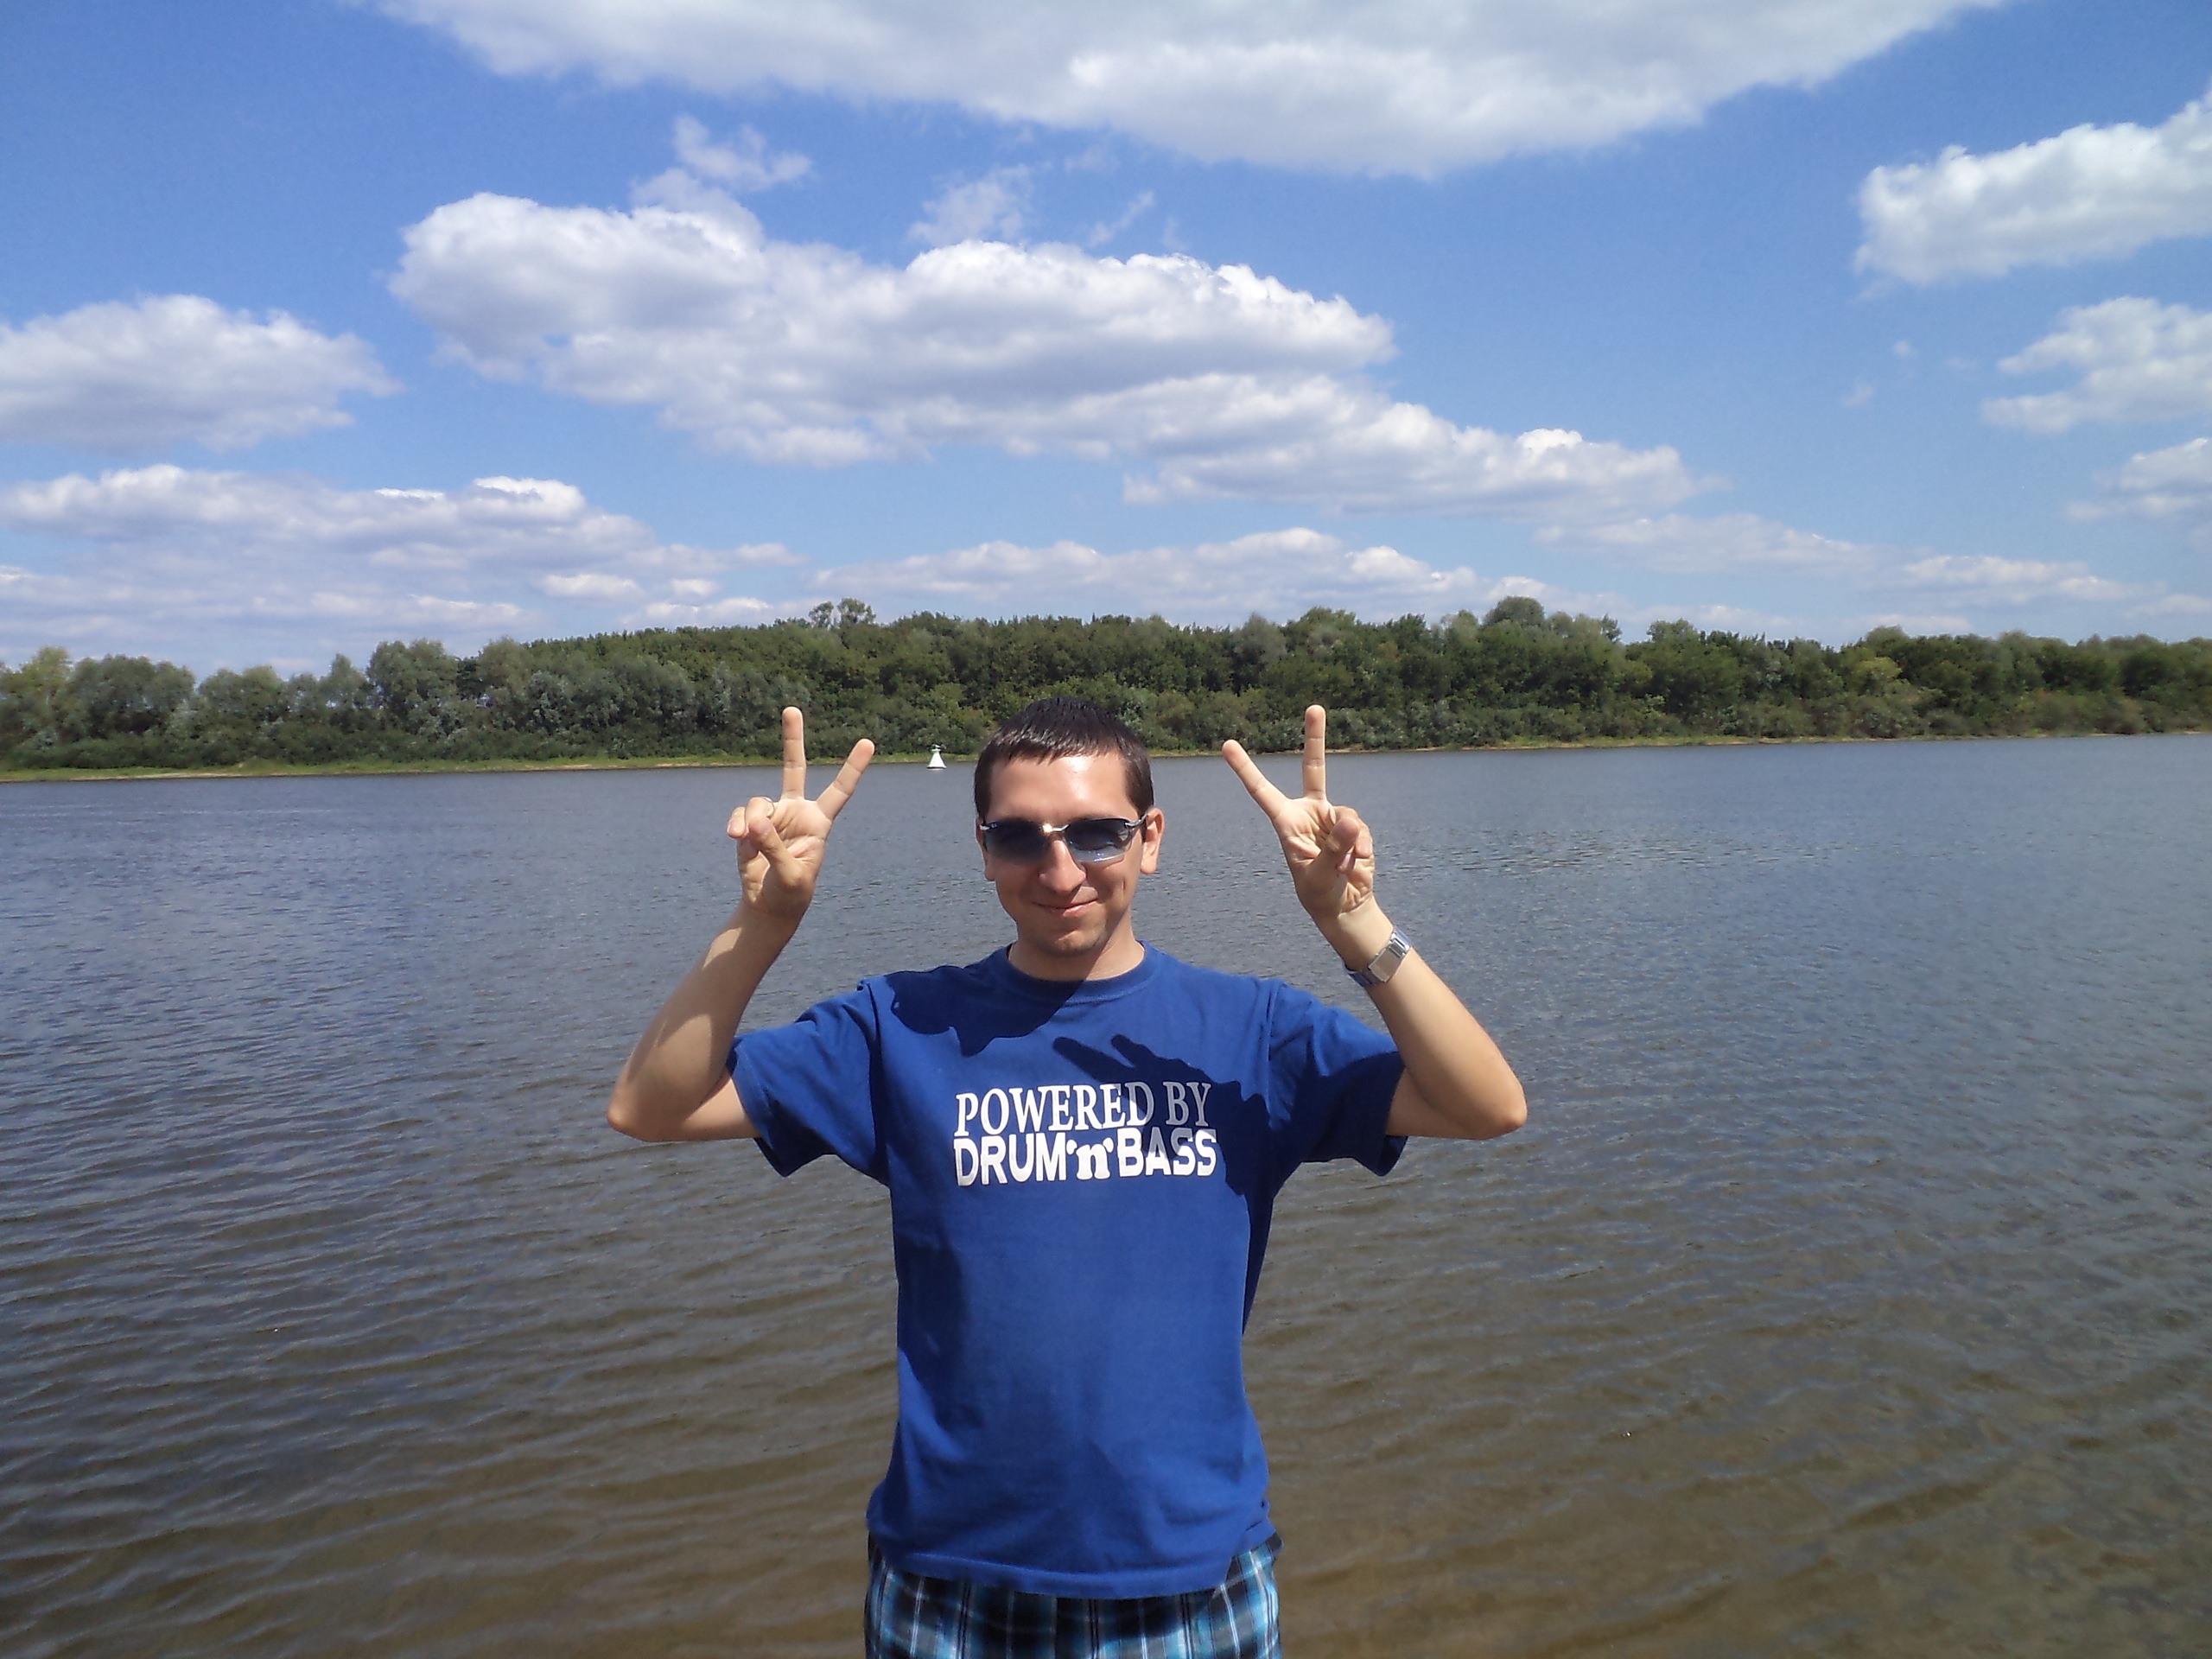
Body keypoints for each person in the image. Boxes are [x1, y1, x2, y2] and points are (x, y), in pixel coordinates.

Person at [607, 696, 1525, 1658]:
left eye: (1097, 834)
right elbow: (652, 1106)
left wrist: (1353, 919)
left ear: (1149, 839)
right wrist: (763, 922)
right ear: (984, 849)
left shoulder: (1250, 1031)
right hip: (951, 1584)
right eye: (1020, 838)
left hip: (1188, 1577)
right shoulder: (898, 1028)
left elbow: (1485, 1105)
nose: (1059, 872)